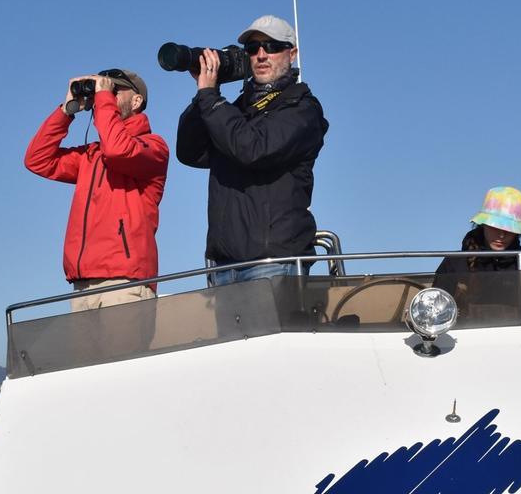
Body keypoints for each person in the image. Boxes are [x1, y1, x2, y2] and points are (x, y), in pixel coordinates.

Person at [176, 15, 329, 286]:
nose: (261, 55)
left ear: (291, 53)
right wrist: (204, 92)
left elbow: (253, 148)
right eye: (252, 49)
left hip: (273, 264)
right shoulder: (234, 111)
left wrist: (211, 99)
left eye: (271, 46)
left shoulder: (302, 109)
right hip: (224, 266)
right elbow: (190, 152)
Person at [25, 70, 169, 311]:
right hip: (83, 283)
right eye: (103, 93)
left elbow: (118, 150)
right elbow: (37, 159)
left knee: (125, 350)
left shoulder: (154, 146)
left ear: (136, 101)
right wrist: (66, 111)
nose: (106, 97)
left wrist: (102, 99)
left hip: (125, 281)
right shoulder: (91, 155)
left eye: (114, 92)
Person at [434, 187, 521, 306]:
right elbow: (434, 312)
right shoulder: (454, 263)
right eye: (495, 227)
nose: (502, 235)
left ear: (517, 233)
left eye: (510, 229)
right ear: (483, 225)